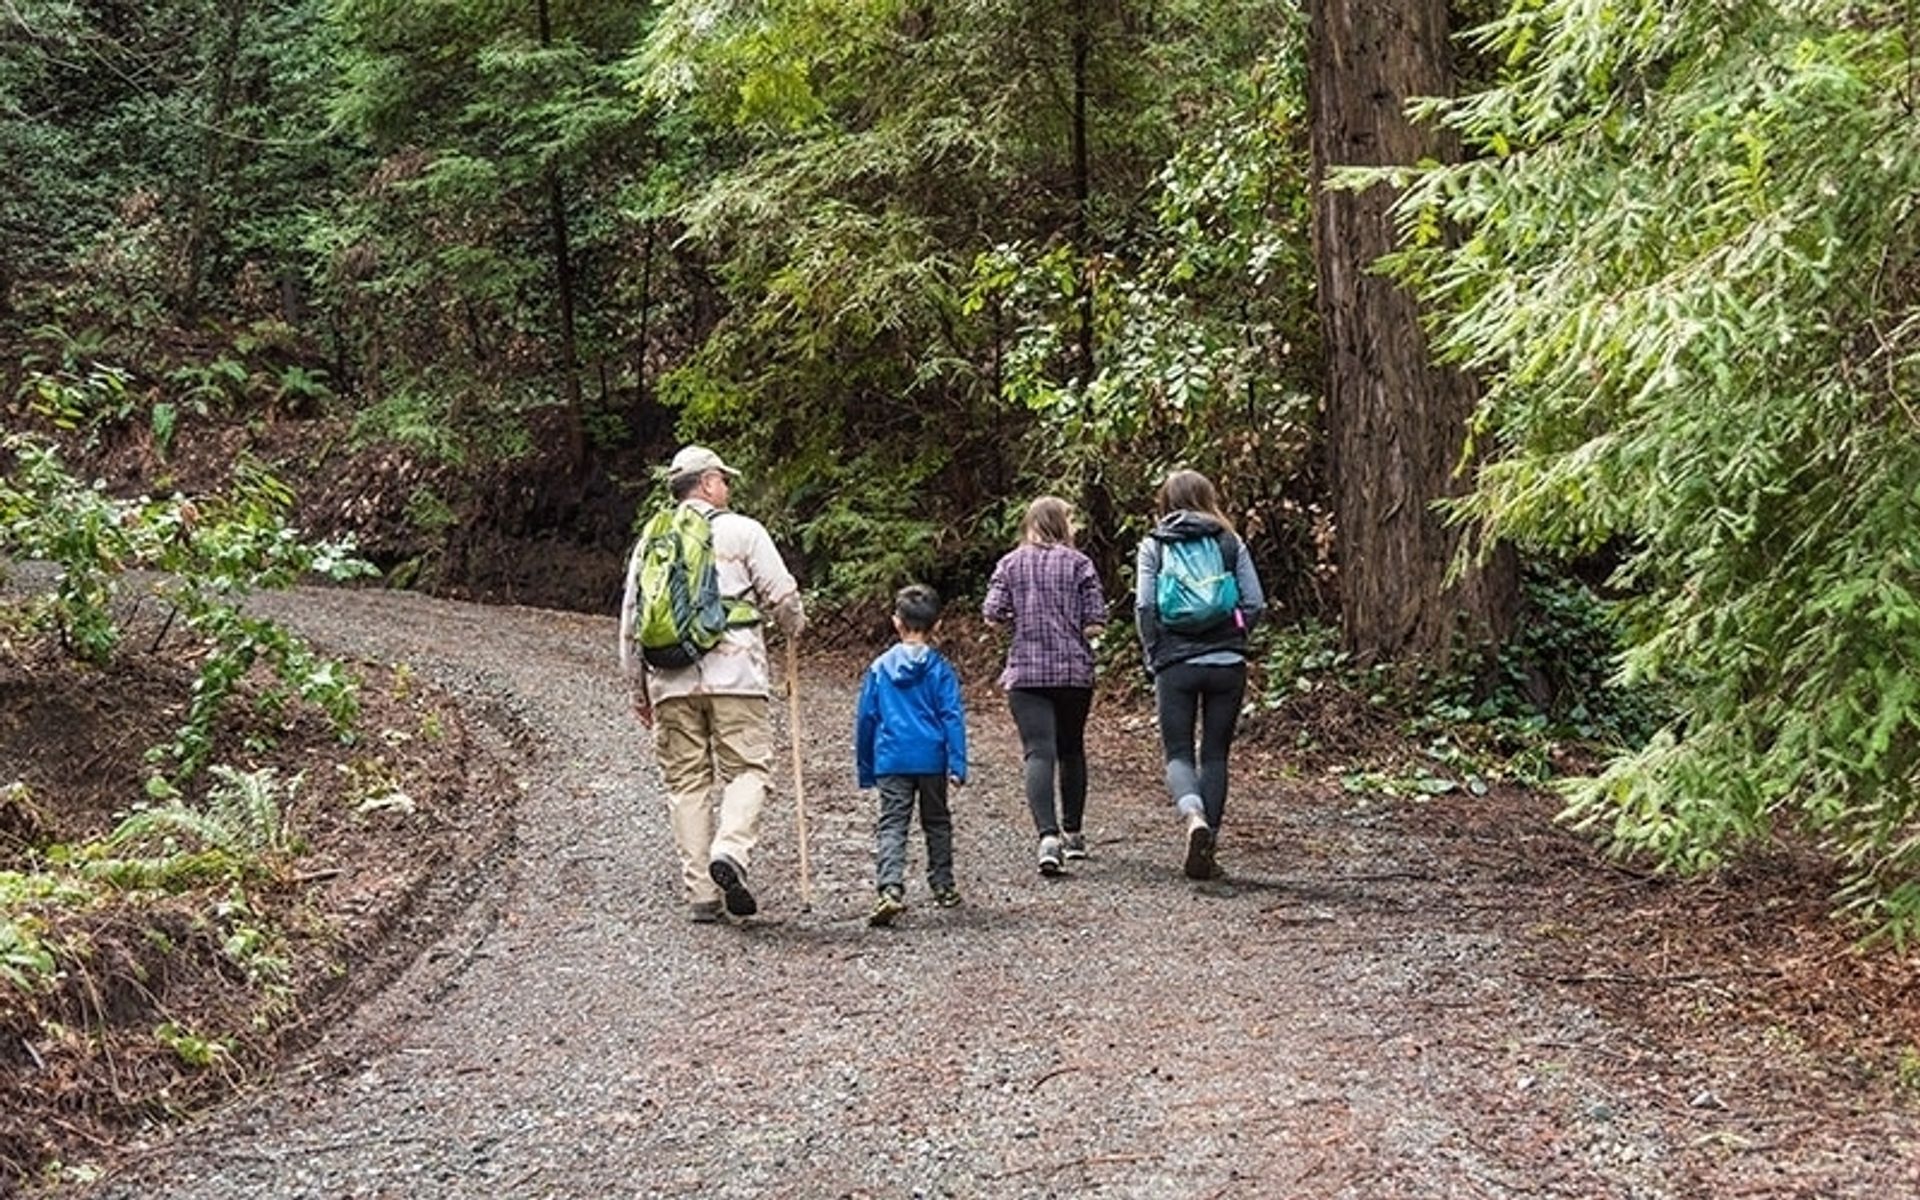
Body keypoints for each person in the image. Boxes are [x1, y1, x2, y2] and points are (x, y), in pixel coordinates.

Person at [619, 445, 806, 923]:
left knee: (687, 783)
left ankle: (702, 893)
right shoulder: (743, 531)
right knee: (748, 769)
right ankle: (730, 850)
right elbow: (782, 596)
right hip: (736, 676)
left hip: (669, 681)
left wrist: (638, 691)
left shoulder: (651, 541)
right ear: (705, 483)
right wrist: (792, 626)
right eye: (723, 479)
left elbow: (631, 621)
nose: (727, 487)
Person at [1135, 469, 1265, 880]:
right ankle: (1209, 848)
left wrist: (1153, 648)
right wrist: (1235, 632)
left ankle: (1193, 817)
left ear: (1165, 501)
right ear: (1209, 497)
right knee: (1215, 754)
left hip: (1175, 662)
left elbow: (1144, 606)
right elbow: (1255, 602)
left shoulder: (1154, 544)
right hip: (1227, 662)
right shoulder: (1230, 541)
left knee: (1177, 753)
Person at [982, 496, 1108, 875]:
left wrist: (1020, 616)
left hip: (1027, 673)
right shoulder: (1080, 564)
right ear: (1061, 524)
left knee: (1038, 753)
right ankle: (1074, 834)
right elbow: (1096, 622)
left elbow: (992, 614)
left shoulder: (1010, 563)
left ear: (1031, 523)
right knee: (1072, 749)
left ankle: (1047, 837)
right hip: (1073, 672)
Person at [854, 583, 969, 926]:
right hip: (932, 758)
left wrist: (866, 766)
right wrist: (957, 762)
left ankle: (890, 888)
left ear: (896, 623)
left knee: (893, 823)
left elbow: (866, 719)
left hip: (891, 758)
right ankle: (943, 884)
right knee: (936, 821)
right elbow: (952, 716)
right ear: (937, 626)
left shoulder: (879, 668)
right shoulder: (940, 669)